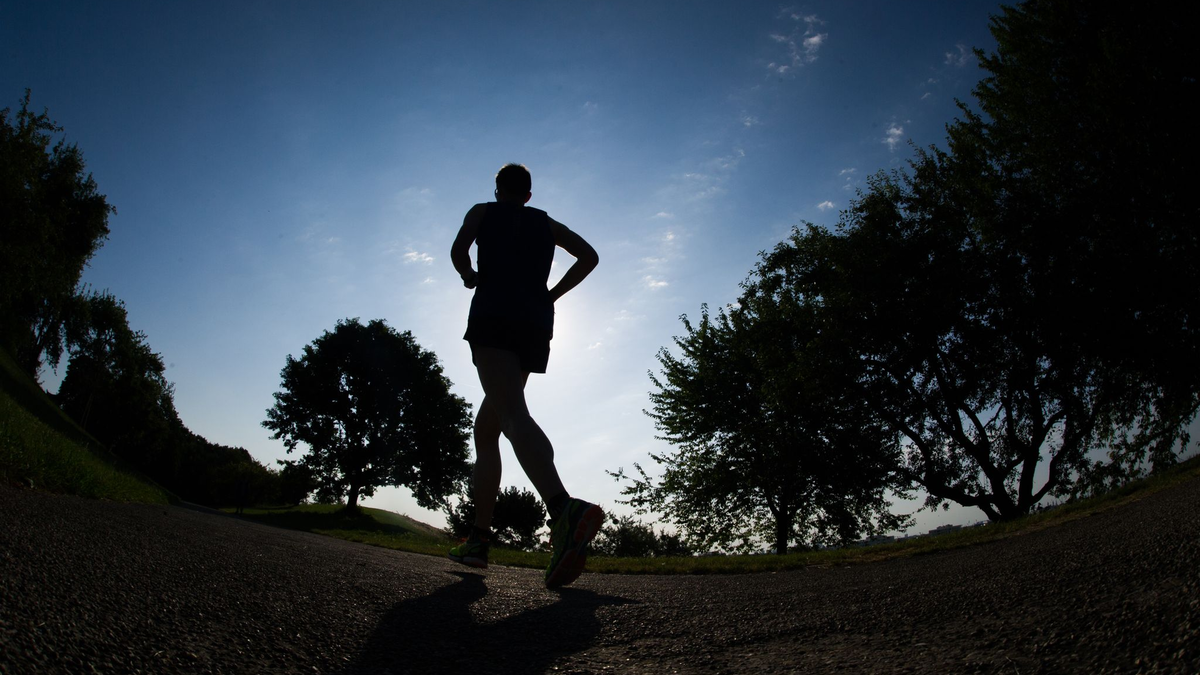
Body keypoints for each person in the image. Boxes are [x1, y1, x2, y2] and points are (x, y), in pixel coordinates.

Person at [447, 163, 604, 588]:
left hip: (494, 316)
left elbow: (459, 251)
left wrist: (468, 276)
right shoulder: (546, 223)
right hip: (534, 323)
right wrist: (552, 293)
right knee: (488, 427)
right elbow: (589, 256)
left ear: (498, 189)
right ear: (529, 195)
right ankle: (479, 539)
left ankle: (563, 509)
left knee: (512, 414)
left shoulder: (482, 211)